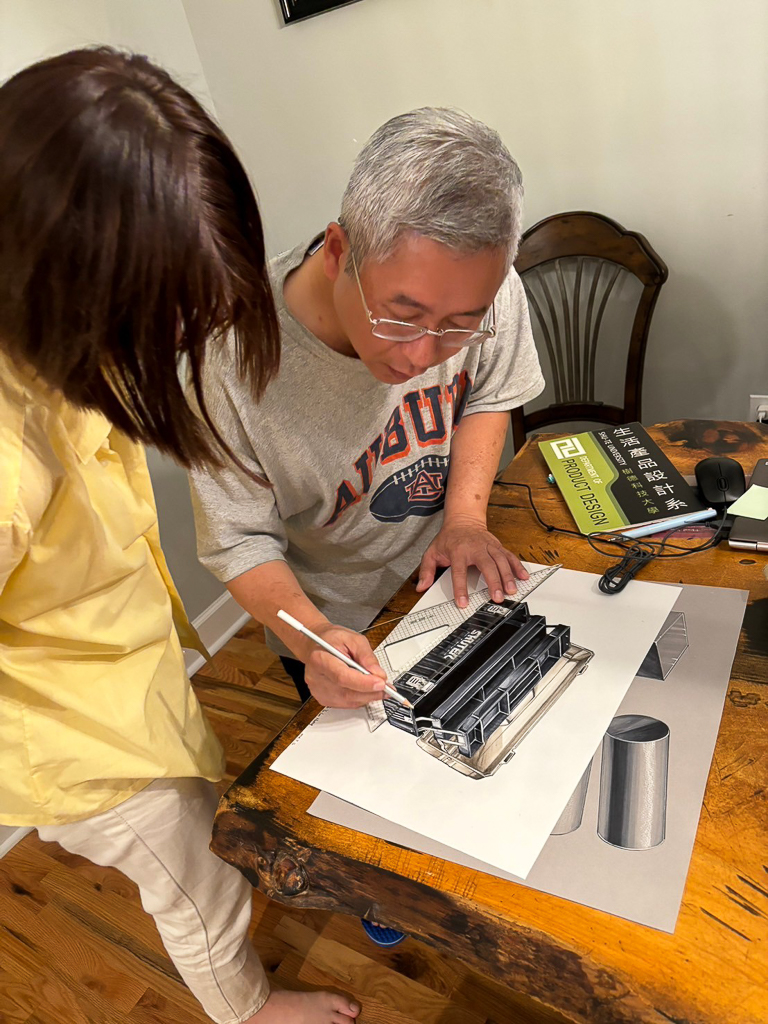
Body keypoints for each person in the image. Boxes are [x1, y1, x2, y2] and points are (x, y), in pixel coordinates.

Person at [0, 47, 360, 1024]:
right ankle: (247, 1010)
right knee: (198, 885)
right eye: (161, 320)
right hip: (79, 745)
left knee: (205, 829)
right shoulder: (12, 462)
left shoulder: (53, 355)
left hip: (126, 677)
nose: (181, 345)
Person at [188, 107, 545, 708]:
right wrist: (314, 638)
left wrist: (465, 519)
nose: (424, 356)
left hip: (454, 583)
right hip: (332, 626)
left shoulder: (486, 286)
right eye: (401, 317)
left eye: (459, 326)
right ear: (337, 252)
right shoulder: (229, 361)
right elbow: (237, 539)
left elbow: (488, 394)